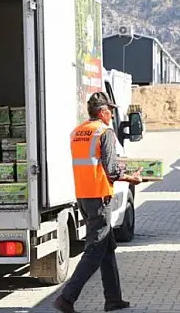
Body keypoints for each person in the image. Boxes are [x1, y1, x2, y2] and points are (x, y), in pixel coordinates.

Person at [53, 92, 142, 313]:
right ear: (102, 112)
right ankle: (66, 298)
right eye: (110, 111)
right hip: (100, 197)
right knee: (95, 250)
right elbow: (111, 171)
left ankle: (113, 298)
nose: (111, 115)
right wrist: (133, 178)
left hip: (84, 196)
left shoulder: (78, 132)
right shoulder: (105, 132)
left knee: (107, 245)